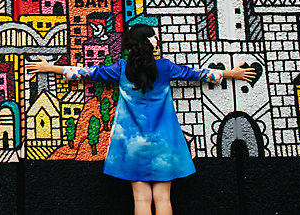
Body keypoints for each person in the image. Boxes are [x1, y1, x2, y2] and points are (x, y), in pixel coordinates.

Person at [25, 23, 256, 215]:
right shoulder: (165, 68)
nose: (157, 39)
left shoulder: (121, 69)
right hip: (165, 141)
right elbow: (198, 74)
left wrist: (50, 67)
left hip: (132, 143)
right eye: (155, 36)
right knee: (164, 200)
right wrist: (231, 73)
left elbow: (85, 73)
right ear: (149, 41)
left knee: (141, 200)